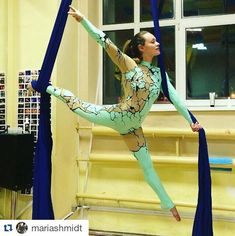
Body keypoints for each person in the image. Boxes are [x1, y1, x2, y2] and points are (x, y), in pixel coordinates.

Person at [28, 5, 202, 222]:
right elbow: (104, 41)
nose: (157, 43)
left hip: (133, 129)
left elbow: (176, 100)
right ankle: (46, 87)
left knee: (147, 167)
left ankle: (168, 205)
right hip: (116, 116)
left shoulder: (159, 75)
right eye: (152, 41)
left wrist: (192, 122)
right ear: (141, 48)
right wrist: (83, 20)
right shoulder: (129, 66)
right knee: (77, 104)